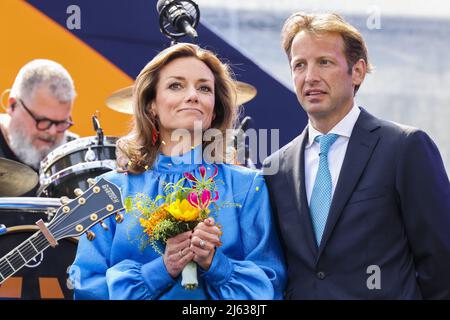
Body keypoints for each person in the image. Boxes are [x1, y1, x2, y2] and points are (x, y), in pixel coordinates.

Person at [70, 43, 286, 300]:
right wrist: (162, 269)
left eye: (204, 88)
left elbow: (269, 289)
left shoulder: (249, 186)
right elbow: (86, 287)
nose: (193, 95)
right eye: (176, 85)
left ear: (214, 108)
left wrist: (215, 264)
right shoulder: (109, 189)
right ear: (151, 105)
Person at [263, 12, 450, 299]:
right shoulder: (276, 167)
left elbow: (441, 263)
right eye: (299, 65)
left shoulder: (404, 148)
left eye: (324, 62)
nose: (310, 77)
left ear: (358, 71)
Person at [0, 59, 78, 195]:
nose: (53, 131)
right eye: (42, 121)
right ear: (13, 106)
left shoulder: (75, 154)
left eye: (61, 122)